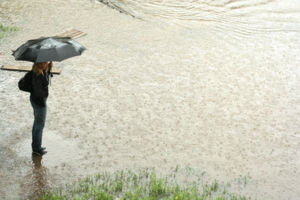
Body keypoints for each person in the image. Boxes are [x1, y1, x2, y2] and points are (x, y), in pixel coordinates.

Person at [30, 62, 53, 155]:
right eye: (41, 63)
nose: (44, 64)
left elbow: (46, 77)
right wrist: (44, 96)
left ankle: (35, 146)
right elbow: (39, 91)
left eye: (45, 62)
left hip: (35, 100)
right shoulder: (38, 75)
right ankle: (36, 148)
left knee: (37, 122)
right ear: (37, 63)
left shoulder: (39, 71)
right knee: (40, 124)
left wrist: (49, 68)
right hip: (39, 102)